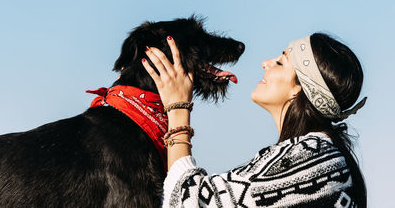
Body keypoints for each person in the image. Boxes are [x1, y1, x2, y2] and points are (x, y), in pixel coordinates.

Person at [142, 33, 367, 207]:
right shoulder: (322, 157)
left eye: (280, 62)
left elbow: (188, 202)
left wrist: (178, 107)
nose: (265, 63)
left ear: (300, 90)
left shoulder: (316, 159)